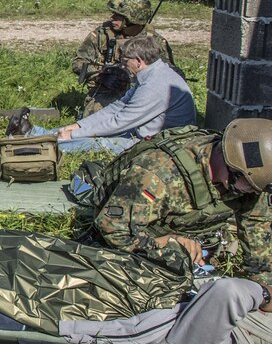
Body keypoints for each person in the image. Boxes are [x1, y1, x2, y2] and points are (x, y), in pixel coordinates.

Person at [91, 118, 272, 281]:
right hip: (140, 238)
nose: (255, 192)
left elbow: (256, 224)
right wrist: (167, 244)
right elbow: (113, 228)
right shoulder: (158, 173)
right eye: (251, 186)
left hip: (194, 241)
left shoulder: (252, 178)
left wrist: (262, 281)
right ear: (234, 170)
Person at [29, 34, 195, 154]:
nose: (123, 66)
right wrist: (77, 126)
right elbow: (118, 107)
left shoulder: (155, 86)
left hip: (159, 146)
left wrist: (74, 134)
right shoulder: (152, 73)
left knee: (94, 143)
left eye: (125, 61)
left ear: (138, 61)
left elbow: (119, 122)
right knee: (79, 133)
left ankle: (36, 146)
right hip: (143, 133)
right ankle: (34, 133)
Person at [72, 0, 175, 116]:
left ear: (131, 19)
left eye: (117, 16)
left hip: (143, 93)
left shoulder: (155, 41)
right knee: (94, 122)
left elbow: (170, 75)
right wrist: (102, 74)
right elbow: (79, 63)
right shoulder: (102, 35)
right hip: (107, 92)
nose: (112, 18)